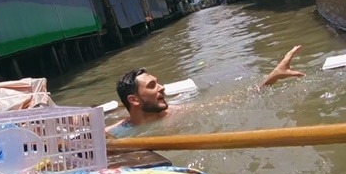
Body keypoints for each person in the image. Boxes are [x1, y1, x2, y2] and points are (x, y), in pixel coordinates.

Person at [106, 46, 306, 135]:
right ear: (134, 100)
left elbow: (235, 100)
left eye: (158, 83)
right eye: (152, 86)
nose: (162, 87)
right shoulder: (120, 129)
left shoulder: (177, 113)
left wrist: (271, 78)